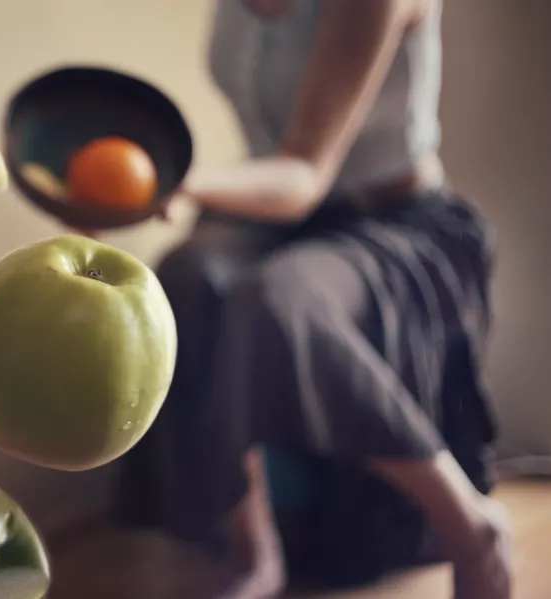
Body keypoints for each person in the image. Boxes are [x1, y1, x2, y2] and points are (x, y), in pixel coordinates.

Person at [110, 1, 513, 598]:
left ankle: (470, 523)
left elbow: (304, 174)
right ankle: (254, 550)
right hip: (283, 218)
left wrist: (170, 183)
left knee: (273, 299)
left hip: (395, 220)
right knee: (184, 277)